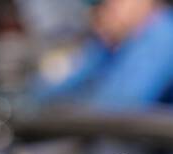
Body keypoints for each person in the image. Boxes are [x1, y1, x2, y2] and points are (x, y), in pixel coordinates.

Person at [32, 0, 173, 106]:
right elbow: (50, 90)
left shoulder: (164, 34)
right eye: (97, 8)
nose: (102, 14)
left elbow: (121, 104)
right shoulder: (111, 43)